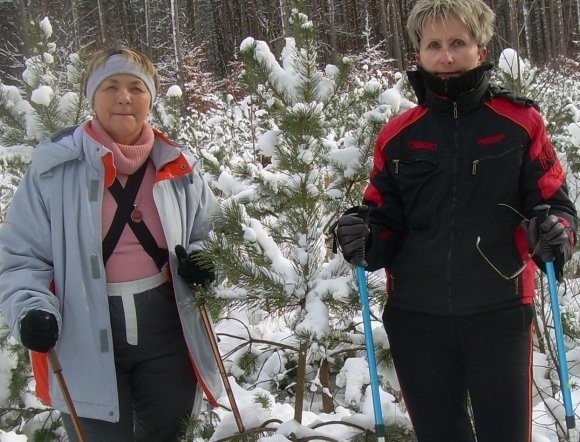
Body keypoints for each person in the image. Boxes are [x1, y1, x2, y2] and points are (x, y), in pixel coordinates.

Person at [335, 1, 577, 441]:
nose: (446, 57)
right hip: (416, 315)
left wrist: (557, 234)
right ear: (419, 54)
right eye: (434, 45)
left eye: (458, 43)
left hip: (498, 310)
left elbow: (556, 204)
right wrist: (362, 236)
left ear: (480, 50)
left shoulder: (519, 124)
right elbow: (383, 223)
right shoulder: (398, 135)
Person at [0, 45, 223, 441]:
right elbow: (20, 258)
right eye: (111, 86)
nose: (124, 97)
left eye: (137, 87)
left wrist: (205, 261)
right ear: (92, 97)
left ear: (150, 99)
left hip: (168, 331)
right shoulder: (54, 168)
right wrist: (30, 310)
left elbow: (209, 231)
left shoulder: (176, 164)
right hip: (83, 331)